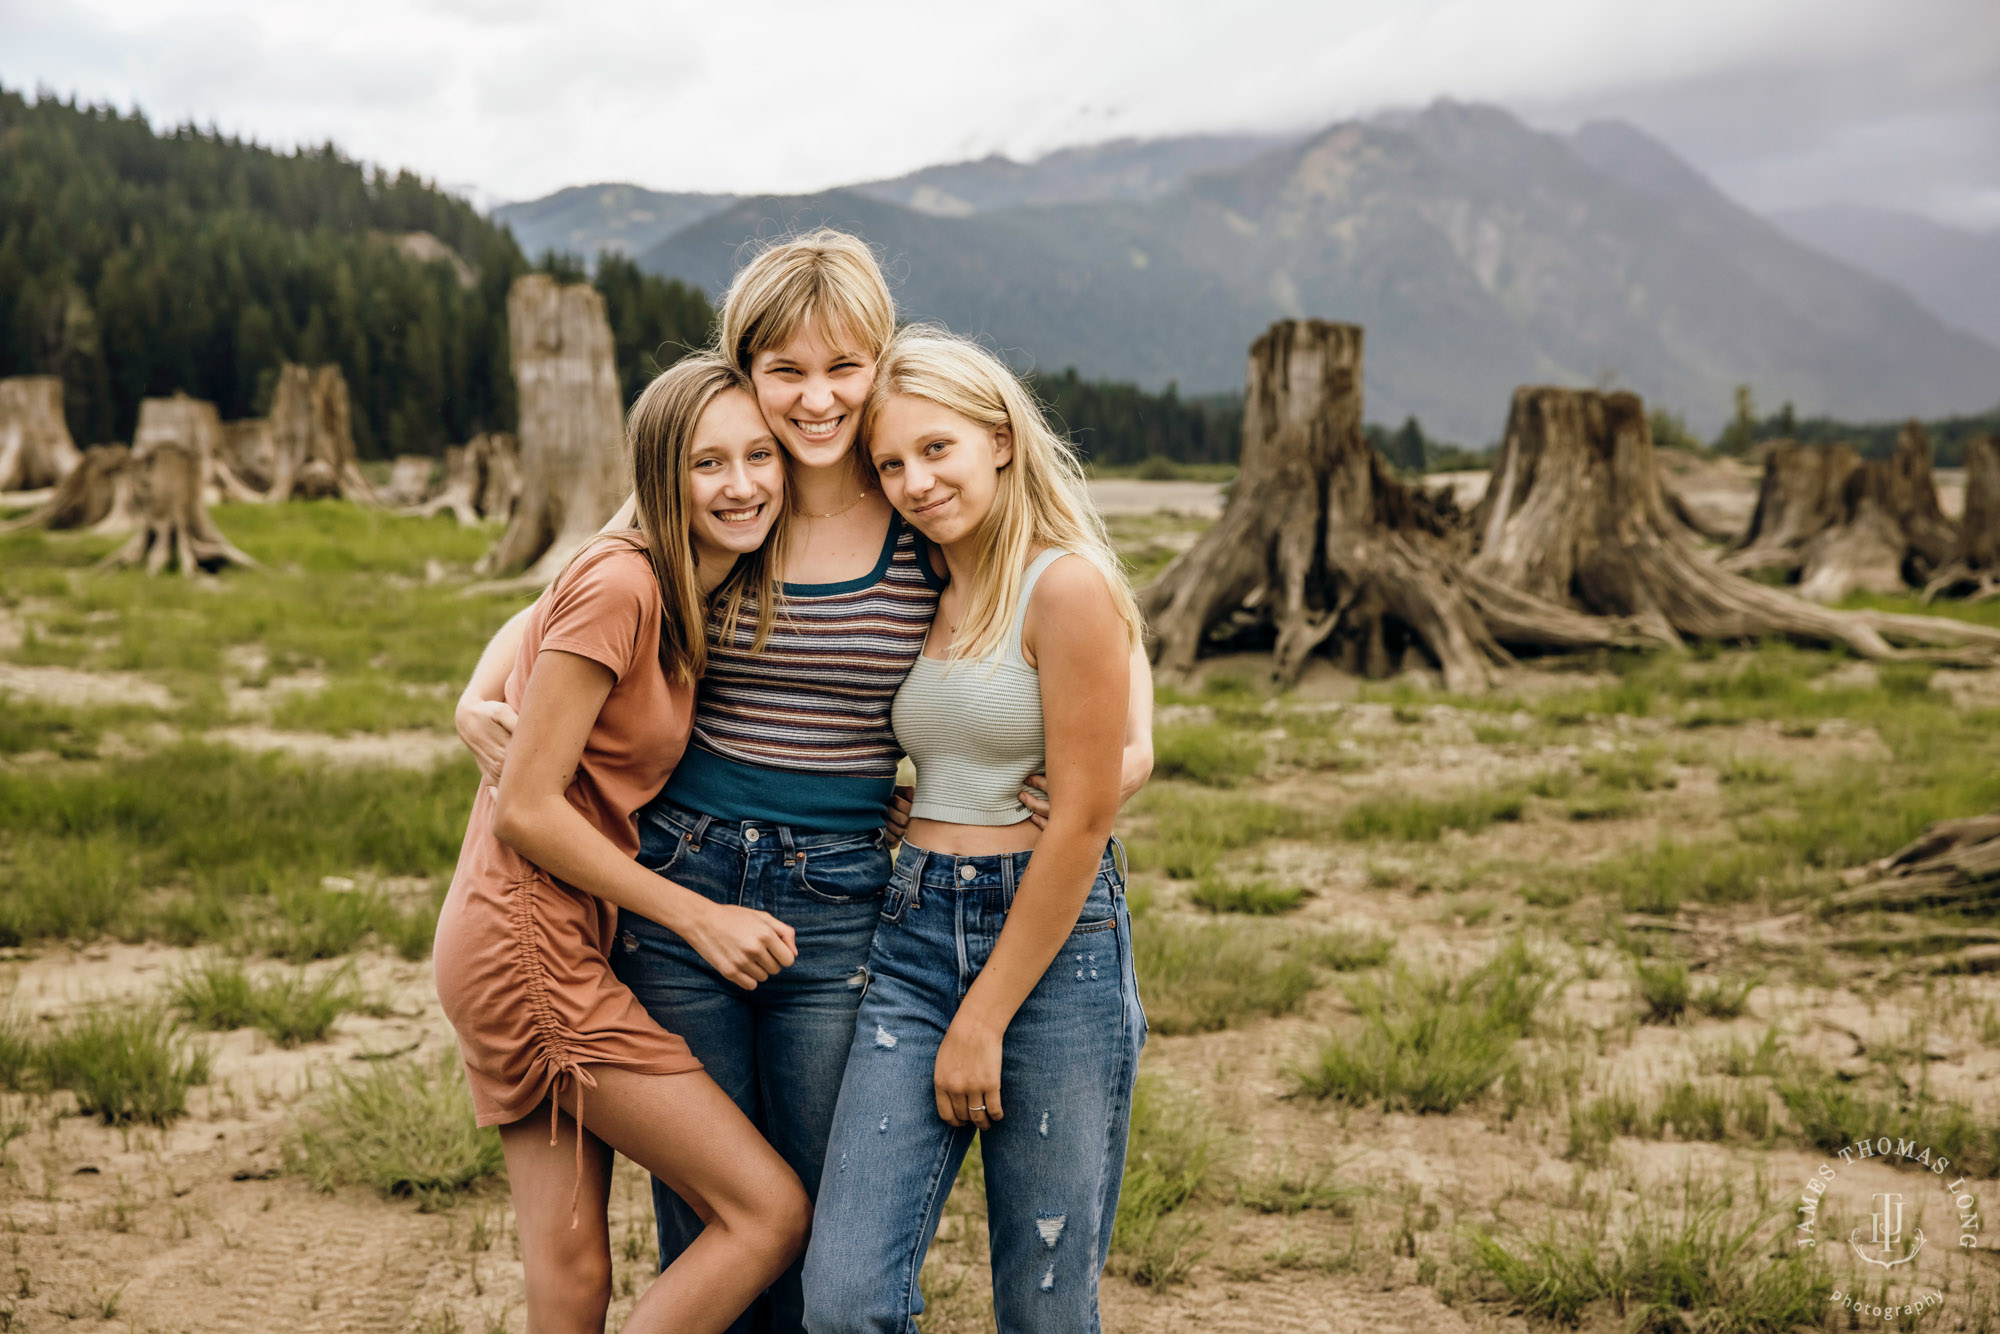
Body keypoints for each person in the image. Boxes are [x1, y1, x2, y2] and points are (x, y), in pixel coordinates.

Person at [453, 230, 1154, 1334]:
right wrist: (476, 694)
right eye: (786, 370)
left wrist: (1131, 753)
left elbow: (1084, 603)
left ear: (880, 360)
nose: (817, 400)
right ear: (745, 371)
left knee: (822, 1218)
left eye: (844, 368)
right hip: (684, 868)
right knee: (713, 1210)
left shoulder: (918, 508)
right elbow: (570, 594)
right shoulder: (730, 493)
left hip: (838, 896)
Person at [432, 355, 808, 1334]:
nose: (741, 485)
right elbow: (527, 808)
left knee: (570, 1273)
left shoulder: (670, 577)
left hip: (527, 933)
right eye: (707, 463)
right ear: (659, 478)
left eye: (759, 456)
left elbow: (533, 625)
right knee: (766, 1213)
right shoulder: (625, 580)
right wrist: (698, 913)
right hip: (529, 946)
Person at [803, 328, 1147, 1334]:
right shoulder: (917, 580)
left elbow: (1081, 814)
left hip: (1051, 946)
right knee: (845, 1299)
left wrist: (984, 1016)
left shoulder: (1066, 584)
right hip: (908, 931)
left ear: (999, 437)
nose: (913, 480)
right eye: (890, 462)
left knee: (1041, 1305)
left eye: (936, 448)